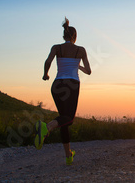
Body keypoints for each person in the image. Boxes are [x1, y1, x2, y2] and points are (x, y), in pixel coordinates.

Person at [35, 17, 92, 165]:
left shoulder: (56, 47)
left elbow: (48, 61)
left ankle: (68, 155)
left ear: (63, 36)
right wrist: (77, 66)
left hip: (57, 85)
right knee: (69, 118)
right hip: (71, 84)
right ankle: (45, 128)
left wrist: (45, 74)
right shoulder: (81, 50)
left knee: (63, 120)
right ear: (75, 37)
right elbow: (89, 71)